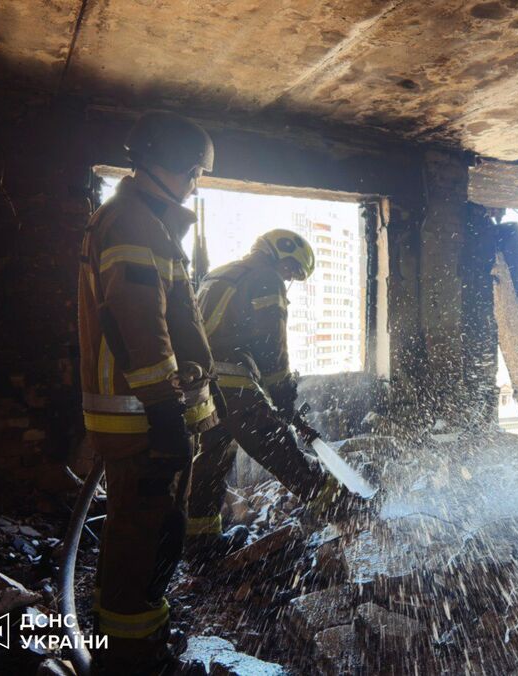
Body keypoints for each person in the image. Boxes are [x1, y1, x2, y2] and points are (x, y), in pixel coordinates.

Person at [77, 111, 217, 673]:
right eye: (192, 173)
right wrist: (164, 414)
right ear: (173, 167)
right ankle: (130, 653)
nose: (193, 183)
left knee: (153, 528)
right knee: (143, 533)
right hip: (141, 418)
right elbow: (139, 322)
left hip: (151, 414)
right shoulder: (133, 222)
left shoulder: (144, 221)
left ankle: (143, 627)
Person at [186, 229, 347, 556]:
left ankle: (200, 540)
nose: (287, 278)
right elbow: (271, 345)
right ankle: (344, 510)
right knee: (279, 450)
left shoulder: (221, 273)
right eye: (290, 271)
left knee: (213, 459)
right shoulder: (265, 278)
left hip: (204, 387)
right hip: (233, 385)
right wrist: (283, 394)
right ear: (280, 255)